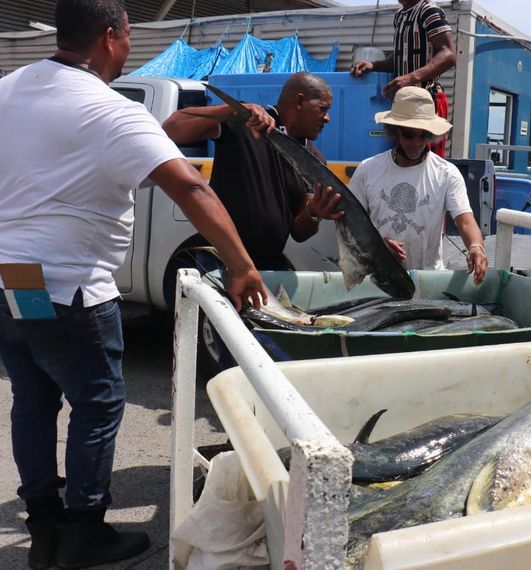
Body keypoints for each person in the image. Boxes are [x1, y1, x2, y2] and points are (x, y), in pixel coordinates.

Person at [0, 1, 267, 568]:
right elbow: (191, 188)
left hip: (12, 278)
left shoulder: (10, 89)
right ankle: (84, 535)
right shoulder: (107, 107)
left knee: (34, 397)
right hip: (72, 285)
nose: (129, 52)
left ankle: (45, 528)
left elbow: (148, 141)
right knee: (98, 404)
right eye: (127, 39)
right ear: (109, 36)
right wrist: (241, 266)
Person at [162, 72, 344, 271]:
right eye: (322, 109)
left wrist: (314, 214)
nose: (327, 118)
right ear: (299, 102)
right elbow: (172, 128)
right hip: (220, 260)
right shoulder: (245, 121)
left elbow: (299, 233)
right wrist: (233, 110)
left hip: (267, 266)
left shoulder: (314, 161)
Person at [348, 86, 488, 284]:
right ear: (395, 131)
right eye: (409, 134)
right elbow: (351, 225)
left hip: (427, 280)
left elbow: (465, 220)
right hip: (377, 279)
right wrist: (377, 247)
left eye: (424, 135)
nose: (416, 142)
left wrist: (476, 247)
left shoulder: (446, 173)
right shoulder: (368, 170)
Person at [350, 0, 456, 156]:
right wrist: (374, 65)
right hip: (404, 104)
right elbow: (402, 56)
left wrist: (411, 78)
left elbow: (449, 54)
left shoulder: (429, 11)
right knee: (404, 158)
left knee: (426, 161)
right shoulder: (400, 15)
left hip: (428, 101)